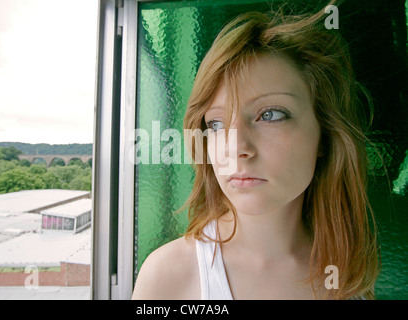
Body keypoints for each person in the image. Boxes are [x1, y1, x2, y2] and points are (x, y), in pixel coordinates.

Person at [132, 1, 380, 300]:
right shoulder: (170, 276)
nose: (237, 148)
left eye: (271, 114)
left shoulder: (348, 276)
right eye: (216, 123)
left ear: (324, 137)